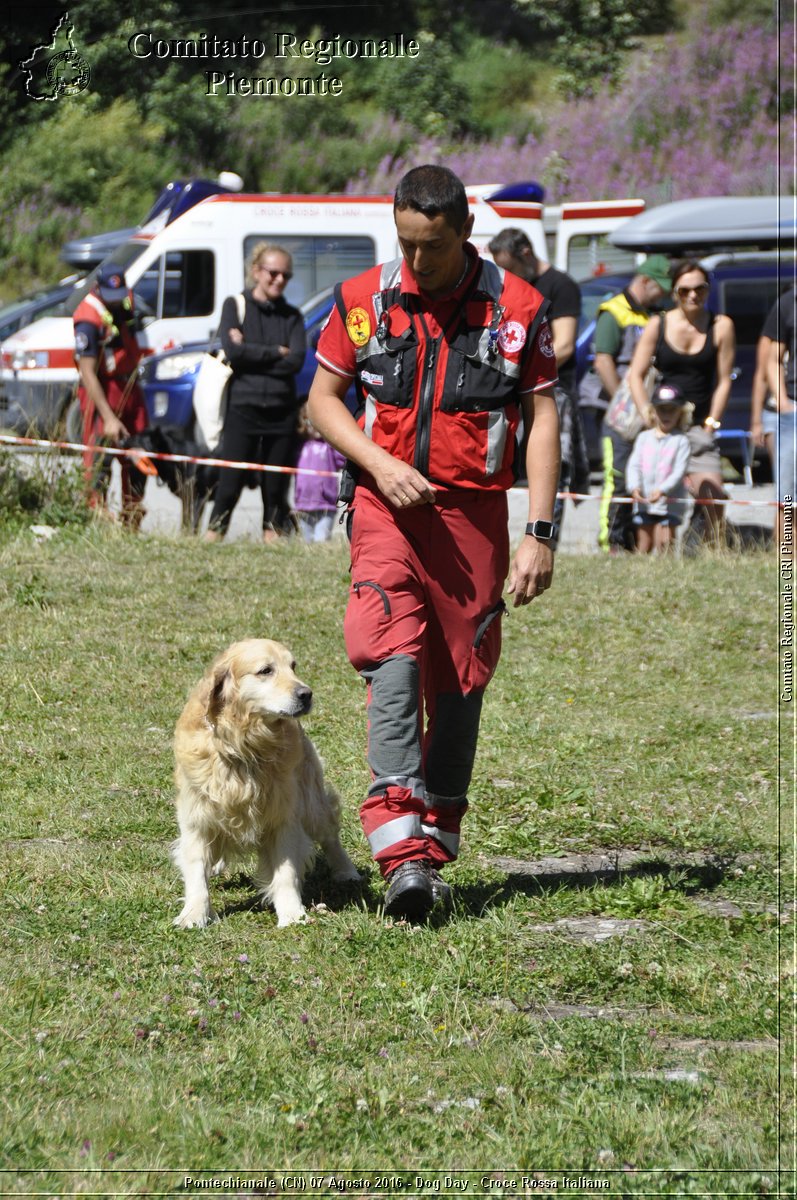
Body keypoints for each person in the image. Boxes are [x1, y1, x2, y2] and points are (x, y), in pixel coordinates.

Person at [308, 164, 560, 923]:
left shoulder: (520, 310)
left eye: (435, 247)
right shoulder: (362, 301)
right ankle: (399, 855)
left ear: (465, 234)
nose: (419, 262)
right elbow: (324, 400)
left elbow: (542, 418)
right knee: (389, 652)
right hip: (385, 507)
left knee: (459, 679)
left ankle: (435, 839)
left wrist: (538, 532)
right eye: (407, 244)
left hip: (472, 519)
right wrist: (379, 465)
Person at [487, 228, 589, 546]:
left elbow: (566, 345)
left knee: (551, 467)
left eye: (511, 267)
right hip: (511, 390)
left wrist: (515, 371)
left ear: (526, 254)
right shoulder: (510, 287)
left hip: (552, 390)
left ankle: (545, 541)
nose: (508, 275)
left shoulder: (561, 286)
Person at [627, 259, 735, 547]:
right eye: (684, 290)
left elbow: (725, 380)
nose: (692, 296)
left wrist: (712, 423)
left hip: (699, 427)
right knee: (655, 501)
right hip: (663, 425)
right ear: (674, 292)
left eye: (699, 289)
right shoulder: (657, 323)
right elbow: (635, 375)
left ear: (707, 290)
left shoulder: (721, 325)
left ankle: (708, 553)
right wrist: (647, 415)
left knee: (714, 498)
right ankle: (652, 562)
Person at [205, 243, 306, 543]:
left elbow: (296, 361)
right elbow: (234, 352)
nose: (279, 280)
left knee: (275, 485)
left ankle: (271, 539)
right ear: (256, 271)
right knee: (230, 482)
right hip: (242, 408)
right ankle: (213, 538)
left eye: (286, 275)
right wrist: (276, 352)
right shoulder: (235, 305)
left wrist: (252, 355)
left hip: (281, 412)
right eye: (273, 273)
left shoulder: (293, 316)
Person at [579, 256, 672, 553]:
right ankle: (612, 541)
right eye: (660, 287)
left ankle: (634, 539)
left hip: (643, 412)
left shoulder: (652, 314)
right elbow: (604, 360)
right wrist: (625, 399)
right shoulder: (614, 311)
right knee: (617, 475)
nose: (664, 294)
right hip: (614, 412)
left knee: (641, 474)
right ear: (645, 281)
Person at [73, 263, 148, 526]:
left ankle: (132, 522)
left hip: (130, 390)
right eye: (111, 296)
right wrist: (108, 417)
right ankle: (99, 522)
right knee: (99, 464)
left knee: (140, 456)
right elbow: (87, 373)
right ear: (98, 288)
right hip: (103, 392)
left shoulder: (124, 303)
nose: (117, 302)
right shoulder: (88, 319)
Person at [626, 381, 692, 554]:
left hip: (669, 504)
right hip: (645, 501)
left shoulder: (681, 441)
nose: (666, 414)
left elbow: (680, 471)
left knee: (665, 542)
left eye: (672, 410)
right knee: (644, 542)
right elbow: (634, 465)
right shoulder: (643, 438)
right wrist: (634, 486)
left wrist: (663, 490)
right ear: (653, 411)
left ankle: (666, 573)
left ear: (681, 413)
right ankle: (641, 573)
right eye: (662, 409)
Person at [764, 285, 797, 549]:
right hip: (793, 409)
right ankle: (787, 555)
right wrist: (784, 403)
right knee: (787, 493)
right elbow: (771, 359)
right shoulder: (787, 303)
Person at [293, 404, 345, 543]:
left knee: (321, 541)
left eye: (319, 422)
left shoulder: (329, 447)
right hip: (303, 505)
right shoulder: (300, 447)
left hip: (325, 505)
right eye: (310, 422)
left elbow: (343, 459)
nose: (315, 427)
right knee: (307, 542)